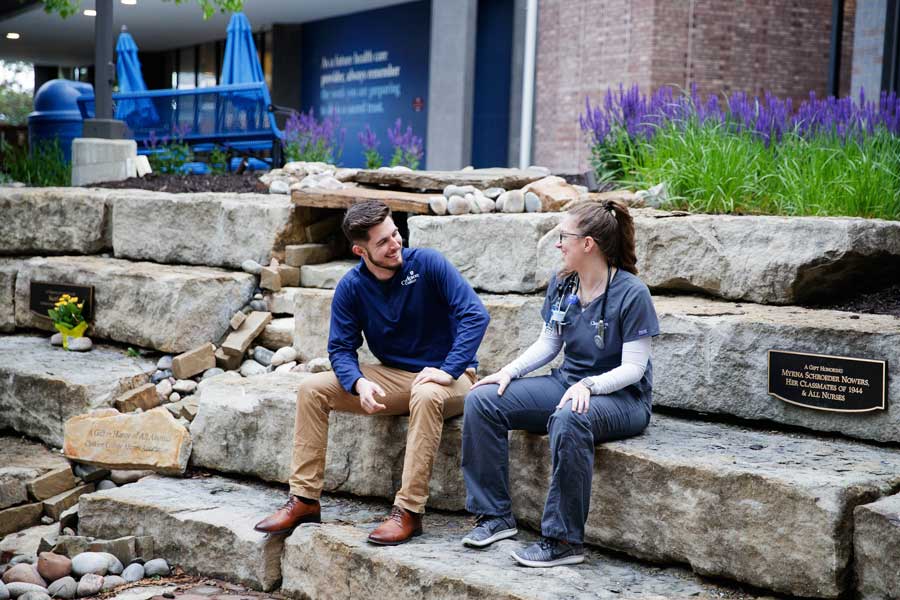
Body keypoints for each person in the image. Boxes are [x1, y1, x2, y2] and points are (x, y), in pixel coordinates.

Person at [254, 199, 490, 545]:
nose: (395, 244)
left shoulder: (428, 264)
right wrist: (359, 382)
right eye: (383, 242)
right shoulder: (352, 287)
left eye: (395, 234)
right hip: (394, 375)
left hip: (453, 378)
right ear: (359, 250)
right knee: (312, 388)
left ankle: (409, 512)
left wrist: (449, 369)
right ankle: (304, 500)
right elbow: (340, 348)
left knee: (425, 394)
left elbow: (475, 315)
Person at [460, 199, 659, 567]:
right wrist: (509, 371)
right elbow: (549, 342)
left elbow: (634, 368)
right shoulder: (565, 284)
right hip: (567, 384)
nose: (558, 244)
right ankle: (495, 517)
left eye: (564, 236)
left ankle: (563, 540)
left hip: (622, 399)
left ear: (588, 244)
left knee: (570, 417)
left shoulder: (632, 293)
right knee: (483, 399)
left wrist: (590, 386)